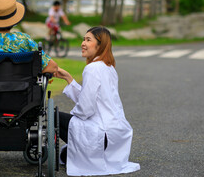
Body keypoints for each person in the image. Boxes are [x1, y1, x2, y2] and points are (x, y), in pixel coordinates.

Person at [54, 26, 140, 176]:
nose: (83, 43)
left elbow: (86, 108)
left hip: (101, 135)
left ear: (100, 45)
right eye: (83, 39)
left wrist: (74, 115)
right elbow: (91, 98)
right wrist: (69, 79)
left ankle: (83, 154)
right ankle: (83, 154)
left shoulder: (93, 68)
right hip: (115, 137)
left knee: (52, 116)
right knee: (65, 154)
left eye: (88, 40)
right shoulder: (109, 68)